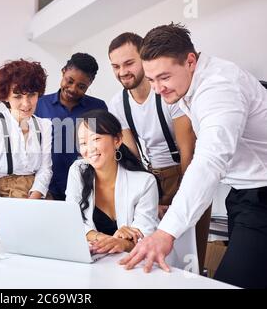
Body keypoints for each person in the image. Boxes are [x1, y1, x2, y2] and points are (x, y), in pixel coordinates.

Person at [120, 23, 267, 289]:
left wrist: (166, 232)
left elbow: (209, 160)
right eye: (151, 79)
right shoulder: (189, 83)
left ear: (190, 61)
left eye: (164, 77)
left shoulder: (219, 88)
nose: (157, 88)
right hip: (243, 192)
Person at [107, 32, 210, 273]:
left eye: (129, 63)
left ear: (144, 59)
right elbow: (131, 152)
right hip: (149, 176)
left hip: (184, 171)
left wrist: (183, 193)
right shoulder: (117, 103)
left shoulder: (168, 92)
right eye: (115, 66)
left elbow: (189, 149)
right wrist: (147, 192)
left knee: (190, 251)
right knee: (149, 247)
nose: (122, 71)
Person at [65, 109, 159, 254]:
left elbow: (145, 235)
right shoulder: (78, 170)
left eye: (96, 139)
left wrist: (122, 244)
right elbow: (71, 222)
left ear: (117, 140)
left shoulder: (145, 182)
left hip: (133, 263)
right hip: (93, 259)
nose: (89, 149)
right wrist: (105, 239)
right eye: (83, 143)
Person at [0, 59, 52, 199]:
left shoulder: (44, 126)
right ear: (5, 97)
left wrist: (34, 199)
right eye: (17, 97)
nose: (26, 103)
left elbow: (45, 169)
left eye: (31, 95)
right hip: (3, 197)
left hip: (36, 196)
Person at [35, 53, 108, 200]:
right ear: (63, 71)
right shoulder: (40, 104)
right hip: (47, 188)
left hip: (87, 188)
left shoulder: (98, 107)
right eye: (69, 81)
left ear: (90, 83)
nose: (73, 89)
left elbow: (104, 147)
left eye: (81, 86)